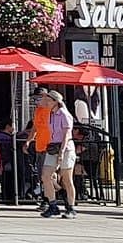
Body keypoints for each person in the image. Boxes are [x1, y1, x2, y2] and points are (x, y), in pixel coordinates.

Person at [40, 90, 77, 219]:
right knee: (46, 176)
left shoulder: (64, 114)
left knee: (66, 178)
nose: (47, 102)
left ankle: (71, 207)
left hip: (65, 148)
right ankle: (53, 205)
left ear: (56, 101)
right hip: (53, 147)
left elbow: (67, 134)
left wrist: (61, 152)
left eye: (49, 100)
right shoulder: (50, 114)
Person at [27, 86, 54, 210]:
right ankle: (47, 197)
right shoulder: (37, 111)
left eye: (39, 98)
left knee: (47, 175)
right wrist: (28, 140)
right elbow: (35, 127)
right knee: (41, 175)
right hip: (39, 146)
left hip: (50, 146)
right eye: (35, 98)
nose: (37, 101)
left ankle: (48, 199)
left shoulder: (52, 111)